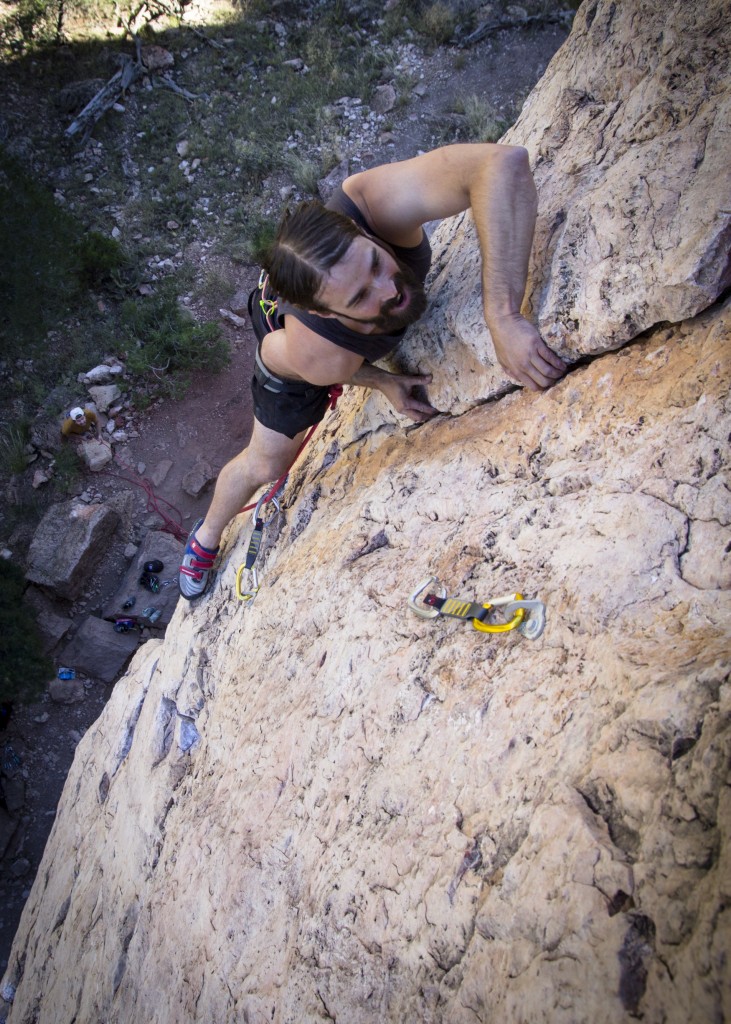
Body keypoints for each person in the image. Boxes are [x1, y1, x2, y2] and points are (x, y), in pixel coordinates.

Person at [179, 143, 566, 600]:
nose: (389, 289)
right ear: (326, 313)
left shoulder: (371, 204)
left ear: (360, 232)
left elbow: (502, 163)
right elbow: (274, 353)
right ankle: (204, 538)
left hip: (313, 311)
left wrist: (503, 315)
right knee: (267, 463)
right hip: (284, 360)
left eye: (376, 263)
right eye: (361, 297)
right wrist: (380, 380)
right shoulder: (320, 354)